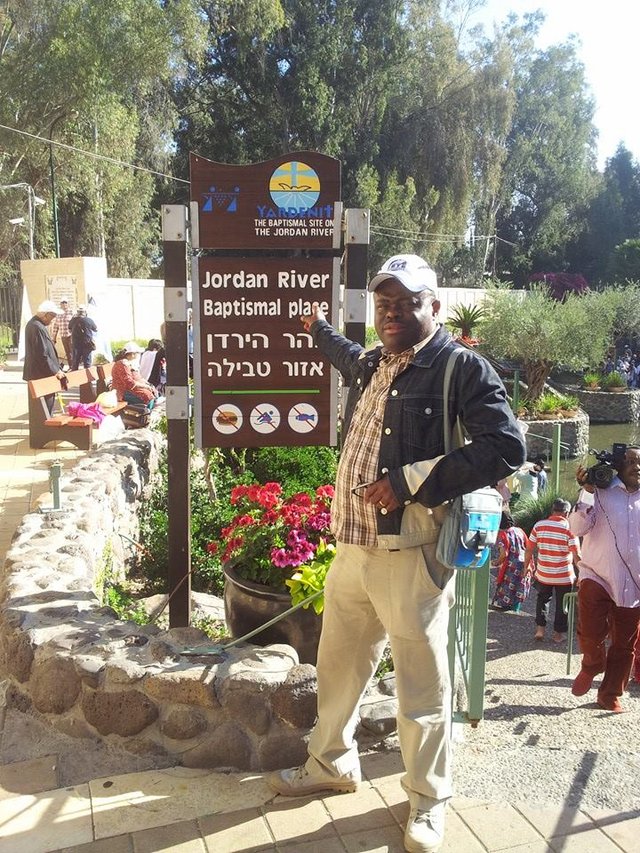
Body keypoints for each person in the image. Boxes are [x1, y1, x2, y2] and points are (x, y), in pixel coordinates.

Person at [265, 254, 526, 853]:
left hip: (410, 551)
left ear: (433, 305)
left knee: (421, 682)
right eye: (383, 302)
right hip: (353, 544)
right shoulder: (374, 362)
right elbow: (342, 354)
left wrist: (411, 480)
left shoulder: (458, 368)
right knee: (338, 665)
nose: (391, 312)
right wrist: (314, 328)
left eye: (406, 301)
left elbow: (505, 446)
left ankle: (428, 802)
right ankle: (330, 765)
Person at [569, 447, 640, 712]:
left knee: (624, 644)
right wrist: (586, 490)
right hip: (595, 574)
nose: (637, 467)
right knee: (590, 632)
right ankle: (592, 664)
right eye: (631, 462)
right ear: (619, 466)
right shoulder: (600, 490)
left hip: (634, 583)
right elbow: (577, 529)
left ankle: (610, 694)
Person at [524, 498, 580, 643]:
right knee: (563, 604)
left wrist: (527, 567)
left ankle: (540, 630)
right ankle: (558, 634)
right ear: (567, 513)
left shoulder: (539, 525)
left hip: (543, 574)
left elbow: (529, 548)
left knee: (542, 600)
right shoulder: (571, 529)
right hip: (564, 576)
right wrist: (583, 574)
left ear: (552, 511)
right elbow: (577, 556)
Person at [22, 300, 66, 415]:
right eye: (53, 316)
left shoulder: (37, 325)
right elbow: (42, 354)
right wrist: (56, 370)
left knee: (45, 409)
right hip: (41, 374)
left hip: (41, 373)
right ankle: (44, 431)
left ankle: (44, 430)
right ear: (46, 315)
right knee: (44, 409)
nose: (53, 320)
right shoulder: (37, 327)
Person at [492, 511, 531, 612]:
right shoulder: (519, 531)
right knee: (519, 586)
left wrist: (497, 562)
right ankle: (516, 608)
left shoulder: (503, 534)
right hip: (524, 563)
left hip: (511, 565)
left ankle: (505, 607)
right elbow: (528, 546)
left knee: (508, 587)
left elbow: (503, 554)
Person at [110, 342, 158, 407]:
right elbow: (129, 383)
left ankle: (147, 412)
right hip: (122, 391)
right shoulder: (122, 363)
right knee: (146, 395)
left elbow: (138, 377)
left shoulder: (129, 363)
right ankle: (145, 414)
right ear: (132, 354)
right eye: (137, 353)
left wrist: (148, 385)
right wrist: (145, 386)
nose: (139, 354)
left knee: (152, 391)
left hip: (130, 389)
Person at [68, 305, 98, 369]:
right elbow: (96, 329)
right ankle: (88, 378)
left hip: (76, 343)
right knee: (87, 363)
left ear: (77, 312)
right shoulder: (89, 320)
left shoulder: (73, 320)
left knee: (75, 362)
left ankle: (74, 376)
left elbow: (69, 329)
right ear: (85, 312)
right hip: (87, 343)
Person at [50, 298, 74, 367]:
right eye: (62, 303)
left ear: (68, 304)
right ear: (60, 304)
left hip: (71, 335)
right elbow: (55, 326)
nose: (64, 304)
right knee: (68, 353)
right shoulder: (58, 314)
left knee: (72, 352)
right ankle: (71, 366)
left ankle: (74, 367)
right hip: (63, 336)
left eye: (65, 302)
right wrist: (53, 338)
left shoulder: (71, 312)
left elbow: (76, 324)